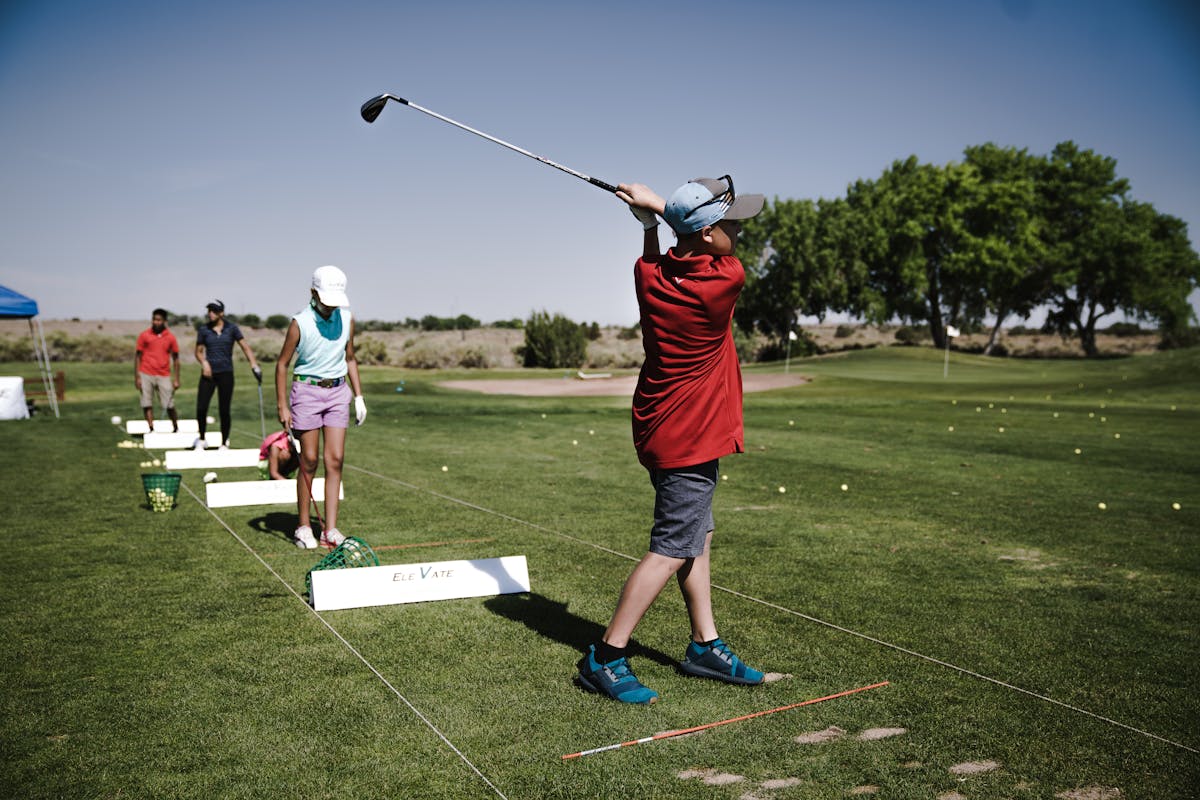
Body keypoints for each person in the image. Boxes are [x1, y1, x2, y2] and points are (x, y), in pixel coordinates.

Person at [576, 176, 766, 704]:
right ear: (705, 236)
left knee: (696, 537)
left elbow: (657, 257)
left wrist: (648, 226)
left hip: (661, 426)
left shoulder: (649, 273)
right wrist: (655, 207)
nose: (736, 232)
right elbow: (693, 242)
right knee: (670, 547)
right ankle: (606, 655)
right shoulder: (724, 281)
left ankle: (704, 644)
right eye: (728, 225)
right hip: (691, 435)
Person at [275, 266, 366, 549]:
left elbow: (349, 358)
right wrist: (282, 406)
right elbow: (282, 365)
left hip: (338, 392)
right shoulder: (299, 323)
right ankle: (303, 526)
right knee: (310, 460)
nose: (331, 306)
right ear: (313, 293)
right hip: (307, 392)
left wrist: (359, 396)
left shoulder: (347, 319)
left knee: (336, 459)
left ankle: (330, 529)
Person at [193, 299, 262, 450]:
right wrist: (204, 363)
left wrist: (254, 365)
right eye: (209, 310)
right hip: (208, 374)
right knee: (201, 408)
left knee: (224, 409)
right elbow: (198, 352)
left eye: (214, 311)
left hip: (226, 373)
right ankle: (202, 438)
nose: (211, 313)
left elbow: (245, 347)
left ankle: (224, 442)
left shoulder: (232, 328)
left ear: (221, 313)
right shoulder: (204, 329)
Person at [134, 308, 181, 432]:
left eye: (159, 320)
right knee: (146, 403)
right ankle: (151, 428)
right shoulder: (144, 335)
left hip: (163, 374)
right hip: (146, 373)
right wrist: (137, 377)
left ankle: (176, 427)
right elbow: (138, 357)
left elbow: (176, 359)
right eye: (154, 319)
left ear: (164, 321)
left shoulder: (170, 337)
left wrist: (176, 379)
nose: (156, 322)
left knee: (169, 404)